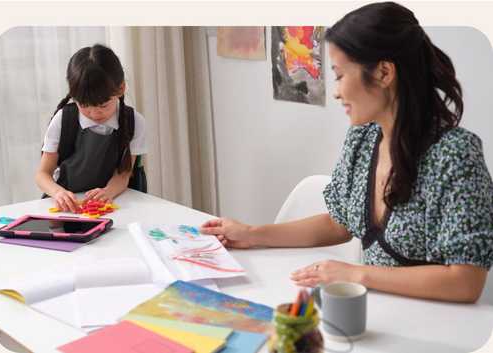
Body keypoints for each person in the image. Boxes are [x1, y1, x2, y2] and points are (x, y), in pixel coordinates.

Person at [201, 2, 493, 303]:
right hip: (379, 312)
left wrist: (354, 274)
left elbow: (466, 282)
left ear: (383, 72)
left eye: (340, 75)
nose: (337, 91)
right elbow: (338, 223)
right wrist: (251, 233)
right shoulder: (363, 138)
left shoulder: (456, 155)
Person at [35, 44, 147, 213]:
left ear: (121, 88)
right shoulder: (64, 120)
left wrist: (107, 193)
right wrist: (58, 193)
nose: (94, 113)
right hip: (67, 206)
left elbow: (124, 174)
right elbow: (42, 174)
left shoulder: (134, 122)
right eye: (84, 105)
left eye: (103, 105)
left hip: (111, 204)